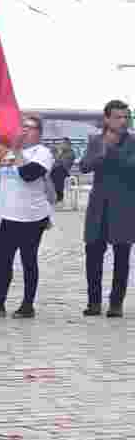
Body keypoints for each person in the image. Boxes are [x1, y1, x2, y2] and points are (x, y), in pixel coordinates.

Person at [0, 115, 54, 318]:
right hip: (10, 215)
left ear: (39, 132)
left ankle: (27, 305)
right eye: (23, 127)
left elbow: (29, 175)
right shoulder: (9, 152)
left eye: (31, 127)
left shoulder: (42, 153)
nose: (25, 130)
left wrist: (17, 151)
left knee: (28, 259)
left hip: (31, 217)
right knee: (3, 259)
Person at [80, 99, 134, 318]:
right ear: (107, 119)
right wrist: (102, 150)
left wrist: (111, 150)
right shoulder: (95, 141)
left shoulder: (133, 141)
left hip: (124, 207)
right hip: (98, 207)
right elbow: (85, 166)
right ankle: (93, 302)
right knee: (93, 255)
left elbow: (131, 167)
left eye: (125, 117)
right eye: (118, 117)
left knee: (122, 257)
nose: (122, 121)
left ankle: (116, 304)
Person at [50, 137, 76, 203]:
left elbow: (63, 163)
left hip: (64, 171)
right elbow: (56, 162)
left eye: (63, 143)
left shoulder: (71, 153)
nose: (61, 145)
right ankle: (52, 195)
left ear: (68, 144)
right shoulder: (62, 153)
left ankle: (59, 197)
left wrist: (55, 153)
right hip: (56, 171)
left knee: (58, 171)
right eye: (61, 143)